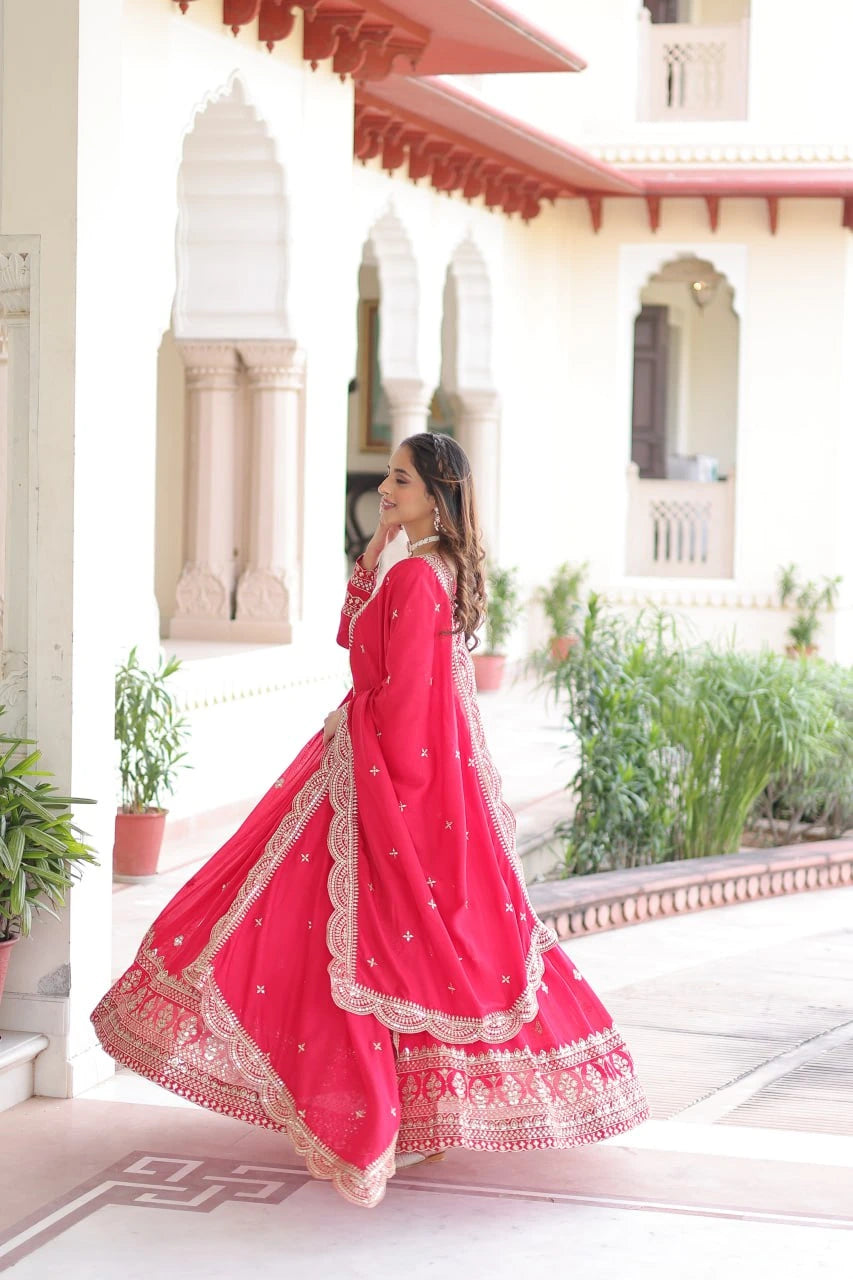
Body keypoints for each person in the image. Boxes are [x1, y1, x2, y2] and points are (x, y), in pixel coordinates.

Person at [92, 433, 648, 1208]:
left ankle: (383, 1118)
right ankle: (406, 1115)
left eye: (400, 479)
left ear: (436, 492)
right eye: (386, 476)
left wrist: (373, 775)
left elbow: (404, 697)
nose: (385, 488)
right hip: (408, 767)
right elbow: (362, 644)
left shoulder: (420, 575)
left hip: (389, 770)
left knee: (348, 935)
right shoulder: (426, 565)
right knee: (388, 938)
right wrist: (374, 555)